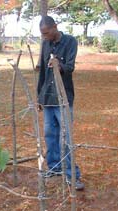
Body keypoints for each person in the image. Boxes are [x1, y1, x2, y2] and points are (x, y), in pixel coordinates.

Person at [37, 16, 84, 190]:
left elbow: (70, 67)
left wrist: (59, 64)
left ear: (55, 27)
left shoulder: (70, 42)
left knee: (66, 138)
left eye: (46, 33)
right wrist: (39, 96)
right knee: (50, 135)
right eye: (42, 34)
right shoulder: (45, 45)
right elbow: (42, 71)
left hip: (63, 98)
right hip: (48, 98)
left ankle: (73, 175)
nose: (44, 37)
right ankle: (55, 168)